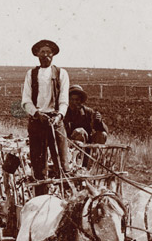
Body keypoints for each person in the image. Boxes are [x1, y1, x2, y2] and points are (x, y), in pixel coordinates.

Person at [21, 38, 71, 195]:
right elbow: (26, 100)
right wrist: (37, 113)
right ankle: (40, 197)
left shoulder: (61, 73)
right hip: (37, 122)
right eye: (42, 52)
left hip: (55, 121)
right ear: (37, 54)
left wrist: (59, 116)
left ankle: (66, 197)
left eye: (49, 52)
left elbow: (64, 100)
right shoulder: (31, 74)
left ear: (53, 55)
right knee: (38, 164)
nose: (46, 55)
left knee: (62, 162)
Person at [63, 85, 109, 171]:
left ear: (81, 101)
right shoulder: (64, 112)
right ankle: (77, 163)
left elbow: (102, 130)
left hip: (87, 144)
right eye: (72, 99)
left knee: (102, 134)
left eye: (77, 100)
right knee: (79, 132)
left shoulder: (88, 112)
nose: (74, 102)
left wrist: (99, 121)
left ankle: (93, 163)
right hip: (70, 145)